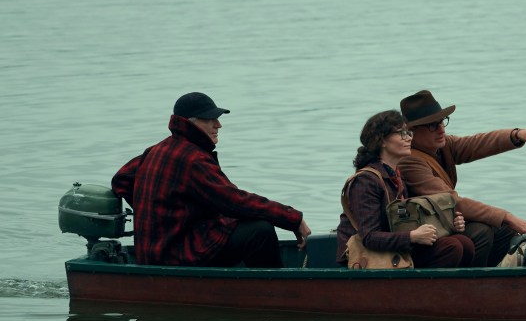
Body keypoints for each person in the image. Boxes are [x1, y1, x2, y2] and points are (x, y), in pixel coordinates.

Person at [111, 92, 311, 267]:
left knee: (239, 222)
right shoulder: (193, 160)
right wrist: (292, 218)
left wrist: (160, 211)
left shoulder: (157, 150)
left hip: (153, 251)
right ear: (191, 122)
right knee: (260, 231)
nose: (219, 124)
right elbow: (236, 201)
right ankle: (275, 291)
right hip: (174, 256)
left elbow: (121, 180)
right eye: (210, 119)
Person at [398, 90, 526, 266]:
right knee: (481, 232)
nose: (441, 129)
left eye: (442, 122)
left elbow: (476, 143)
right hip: (426, 233)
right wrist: (506, 216)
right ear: (412, 131)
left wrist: (516, 135)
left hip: (449, 222)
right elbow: (451, 201)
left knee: (504, 231)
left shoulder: (441, 145)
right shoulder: (409, 161)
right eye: (432, 125)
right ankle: (471, 286)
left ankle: (491, 280)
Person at [336, 110, 475, 268]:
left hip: (393, 248)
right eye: (402, 133)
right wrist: (412, 236)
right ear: (381, 140)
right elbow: (369, 237)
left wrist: (450, 223)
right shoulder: (365, 181)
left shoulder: (397, 176)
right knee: (452, 247)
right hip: (366, 258)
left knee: (465, 244)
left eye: (408, 132)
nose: (409, 137)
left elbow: (402, 221)